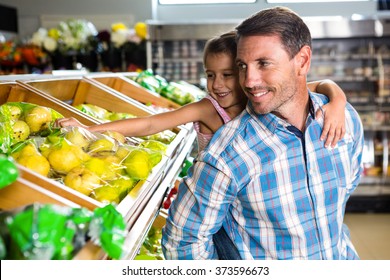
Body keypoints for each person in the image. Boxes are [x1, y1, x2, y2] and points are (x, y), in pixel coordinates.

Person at [161, 6, 364, 260]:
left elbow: (342, 197)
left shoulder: (344, 120)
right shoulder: (228, 152)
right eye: (242, 66)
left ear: (302, 61)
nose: (248, 80)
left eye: (263, 64)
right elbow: (182, 242)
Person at [56, 32, 346, 150]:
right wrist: (89, 128)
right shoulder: (208, 108)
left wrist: (339, 103)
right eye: (210, 75)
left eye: (228, 75)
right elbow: (151, 123)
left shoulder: (262, 97)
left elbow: (321, 85)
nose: (217, 85)